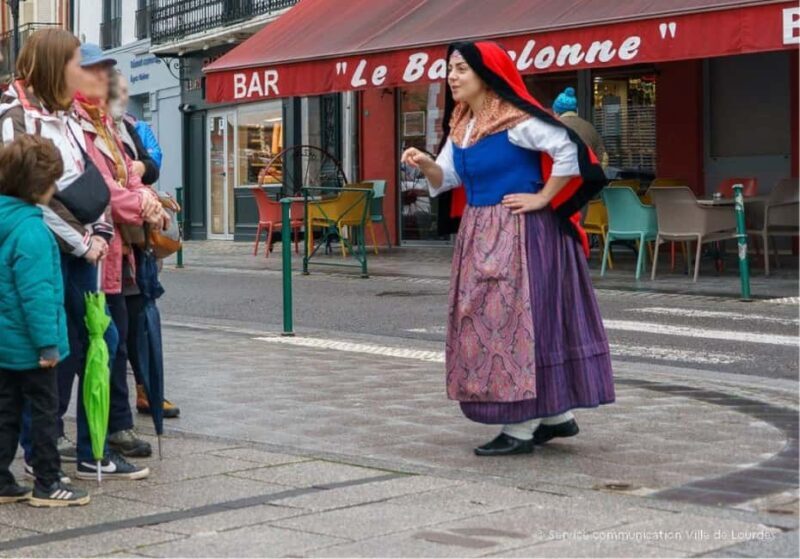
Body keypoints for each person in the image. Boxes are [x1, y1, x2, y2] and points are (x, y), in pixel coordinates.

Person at [401, 41, 614, 457]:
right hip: (481, 231)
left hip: (523, 232)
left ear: (486, 74)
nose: (452, 77)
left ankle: (518, 426)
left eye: (461, 68)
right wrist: (426, 163)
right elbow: (447, 179)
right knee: (498, 319)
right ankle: (554, 416)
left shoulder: (517, 120)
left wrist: (543, 198)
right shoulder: (463, 123)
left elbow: (570, 150)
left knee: (512, 322)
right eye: (449, 69)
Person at [0, 28, 116, 483]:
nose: (82, 69)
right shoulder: (15, 116)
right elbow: (33, 194)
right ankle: (40, 454)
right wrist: (84, 242)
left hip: (78, 248)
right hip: (49, 249)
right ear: (53, 66)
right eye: (74, 61)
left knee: (91, 345)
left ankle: (78, 449)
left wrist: (100, 226)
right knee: (44, 357)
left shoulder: (65, 115)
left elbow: (88, 175)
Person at [73, 44, 165, 466]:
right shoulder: (79, 124)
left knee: (116, 341)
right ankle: (78, 442)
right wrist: (139, 203)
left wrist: (149, 196)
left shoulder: (109, 123)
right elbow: (97, 185)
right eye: (97, 72)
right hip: (92, 248)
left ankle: (113, 428)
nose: (105, 80)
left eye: (108, 72)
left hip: (121, 251)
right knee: (91, 346)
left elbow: (131, 170)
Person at [0, 135, 89, 507]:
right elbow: (37, 295)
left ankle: (2, 479)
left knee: (5, 411)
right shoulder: (33, 231)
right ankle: (48, 481)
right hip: (33, 347)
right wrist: (48, 344)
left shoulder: (6, 220)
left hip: (6, 344)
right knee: (43, 412)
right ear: (39, 187)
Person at [108, 71, 180, 419]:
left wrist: (138, 168)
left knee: (141, 316)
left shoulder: (130, 128)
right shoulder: (97, 133)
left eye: (126, 92)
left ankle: (147, 390)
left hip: (138, 243)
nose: (123, 98)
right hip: (112, 243)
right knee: (117, 329)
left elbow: (151, 166)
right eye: (118, 91)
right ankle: (123, 400)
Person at [552, 86, 609, 170]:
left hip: (564, 179)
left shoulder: (554, 127)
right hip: (588, 178)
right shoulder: (589, 127)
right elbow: (603, 157)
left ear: (557, 111)